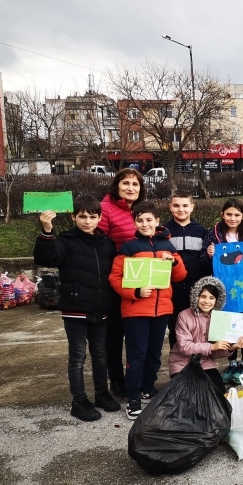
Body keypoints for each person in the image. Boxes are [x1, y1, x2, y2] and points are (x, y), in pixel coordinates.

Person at [33, 196, 120, 421]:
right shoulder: (65, 240)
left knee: (100, 355)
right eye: (82, 216)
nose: (87, 221)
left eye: (92, 217)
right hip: (75, 308)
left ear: (100, 218)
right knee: (78, 356)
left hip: (101, 309)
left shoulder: (106, 243)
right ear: (74, 217)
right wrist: (47, 229)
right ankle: (79, 401)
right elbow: (46, 257)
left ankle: (102, 393)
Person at [109, 201, 187, 419]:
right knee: (137, 354)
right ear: (135, 222)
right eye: (140, 220)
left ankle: (148, 388)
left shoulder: (168, 246)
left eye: (149, 220)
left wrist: (173, 263)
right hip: (136, 310)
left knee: (153, 352)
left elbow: (180, 276)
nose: (145, 224)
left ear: (157, 221)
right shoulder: (128, 248)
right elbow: (115, 278)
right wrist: (135, 291)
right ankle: (133, 396)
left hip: (161, 310)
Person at [98, 168, 147, 397]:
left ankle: (136, 377)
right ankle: (116, 379)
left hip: (139, 279)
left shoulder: (138, 209)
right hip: (116, 280)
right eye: (126, 183)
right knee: (115, 334)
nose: (131, 188)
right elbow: (98, 244)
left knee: (136, 333)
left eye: (135, 184)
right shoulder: (105, 209)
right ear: (117, 185)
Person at [201, 198, 243, 385]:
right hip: (223, 289)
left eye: (237, 215)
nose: (233, 218)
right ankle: (232, 362)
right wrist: (209, 255)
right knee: (228, 328)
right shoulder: (213, 235)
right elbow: (202, 260)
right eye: (229, 214)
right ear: (222, 215)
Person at [169, 277, 243, 394]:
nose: (207, 301)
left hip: (205, 363)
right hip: (181, 363)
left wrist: (232, 347)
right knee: (188, 396)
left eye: (212, 298)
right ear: (196, 296)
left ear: (217, 300)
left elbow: (214, 353)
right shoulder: (183, 316)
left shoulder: (219, 319)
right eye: (203, 296)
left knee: (217, 391)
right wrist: (211, 347)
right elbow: (184, 347)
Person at [164, 190, 208, 349]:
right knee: (175, 325)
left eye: (185, 205)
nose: (180, 209)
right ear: (170, 207)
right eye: (176, 205)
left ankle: (198, 363)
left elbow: (205, 259)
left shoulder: (201, 231)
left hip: (196, 287)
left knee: (197, 325)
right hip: (172, 288)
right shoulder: (164, 231)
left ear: (192, 207)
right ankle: (177, 364)